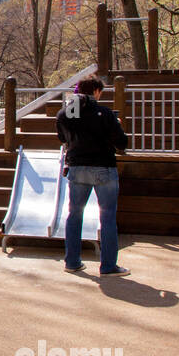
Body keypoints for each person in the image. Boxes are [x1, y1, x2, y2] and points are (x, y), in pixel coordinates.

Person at [55, 76, 130, 276]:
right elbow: (122, 143)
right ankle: (108, 266)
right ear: (96, 92)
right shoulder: (104, 114)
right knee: (107, 217)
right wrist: (117, 124)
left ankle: (72, 261)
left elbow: (63, 137)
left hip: (77, 168)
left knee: (74, 215)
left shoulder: (67, 113)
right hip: (103, 168)